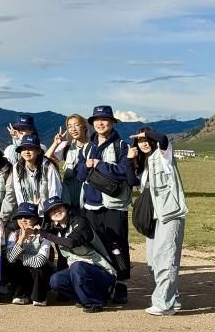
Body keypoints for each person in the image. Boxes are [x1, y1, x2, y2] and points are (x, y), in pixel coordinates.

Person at [76, 105, 133, 304]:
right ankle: (102, 284)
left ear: (112, 123)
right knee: (96, 245)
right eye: (97, 120)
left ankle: (121, 285)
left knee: (117, 245)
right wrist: (85, 165)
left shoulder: (122, 146)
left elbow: (125, 172)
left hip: (115, 205)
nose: (101, 123)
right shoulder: (86, 147)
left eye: (105, 120)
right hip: (91, 205)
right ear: (92, 124)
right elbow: (80, 175)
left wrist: (99, 164)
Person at [130, 128, 187, 316]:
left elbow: (163, 138)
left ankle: (164, 304)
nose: (144, 143)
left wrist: (144, 134)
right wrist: (131, 160)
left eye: (147, 140)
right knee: (153, 261)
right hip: (152, 218)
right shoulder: (144, 164)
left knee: (166, 257)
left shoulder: (164, 155)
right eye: (140, 141)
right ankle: (173, 298)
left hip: (169, 214)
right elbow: (130, 181)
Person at [40, 196, 116, 313]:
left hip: (103, 271)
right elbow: (29, 224)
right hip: (80, 271)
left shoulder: (80, 222)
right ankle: (85, 297)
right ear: (49, 216)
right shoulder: (56, 229)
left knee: (77, 266)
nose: (56, 211)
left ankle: (94, 303)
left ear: (65, 208)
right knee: (55, 280)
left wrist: (45, 235)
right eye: (51, 210)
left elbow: (71, 242)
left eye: (58, 207)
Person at [5, 202, 52, 306]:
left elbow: (40, 262)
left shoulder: (44, 235)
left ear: (35, 219)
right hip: (24, 273)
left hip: (40, 274)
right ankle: (21, 295)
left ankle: (40, 297)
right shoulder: (14, 235)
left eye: (27, 216)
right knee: (14, 266)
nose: (23, 220)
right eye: (19, 217)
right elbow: (11, 259)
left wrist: (19, 256)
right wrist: (22, 238)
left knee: (39, 268)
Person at [45, 114, 89, 209]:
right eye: (70, 126)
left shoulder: (93, 147)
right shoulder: (66, 147)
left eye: (76, 125)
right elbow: (46, 160)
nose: (73, 129)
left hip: (88, 200)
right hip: (69, 199)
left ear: (84, 126)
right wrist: (55, 143)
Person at [12, 134, 62, 214]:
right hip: (29, 213)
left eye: (31, 148)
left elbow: (55, 192)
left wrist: (51, 212)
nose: (27, 152)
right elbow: (19, 193)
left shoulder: (48, 167)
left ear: (38, 151)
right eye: (24, 148)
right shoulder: (17, 168)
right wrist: (25, 212)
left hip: (48, 212)